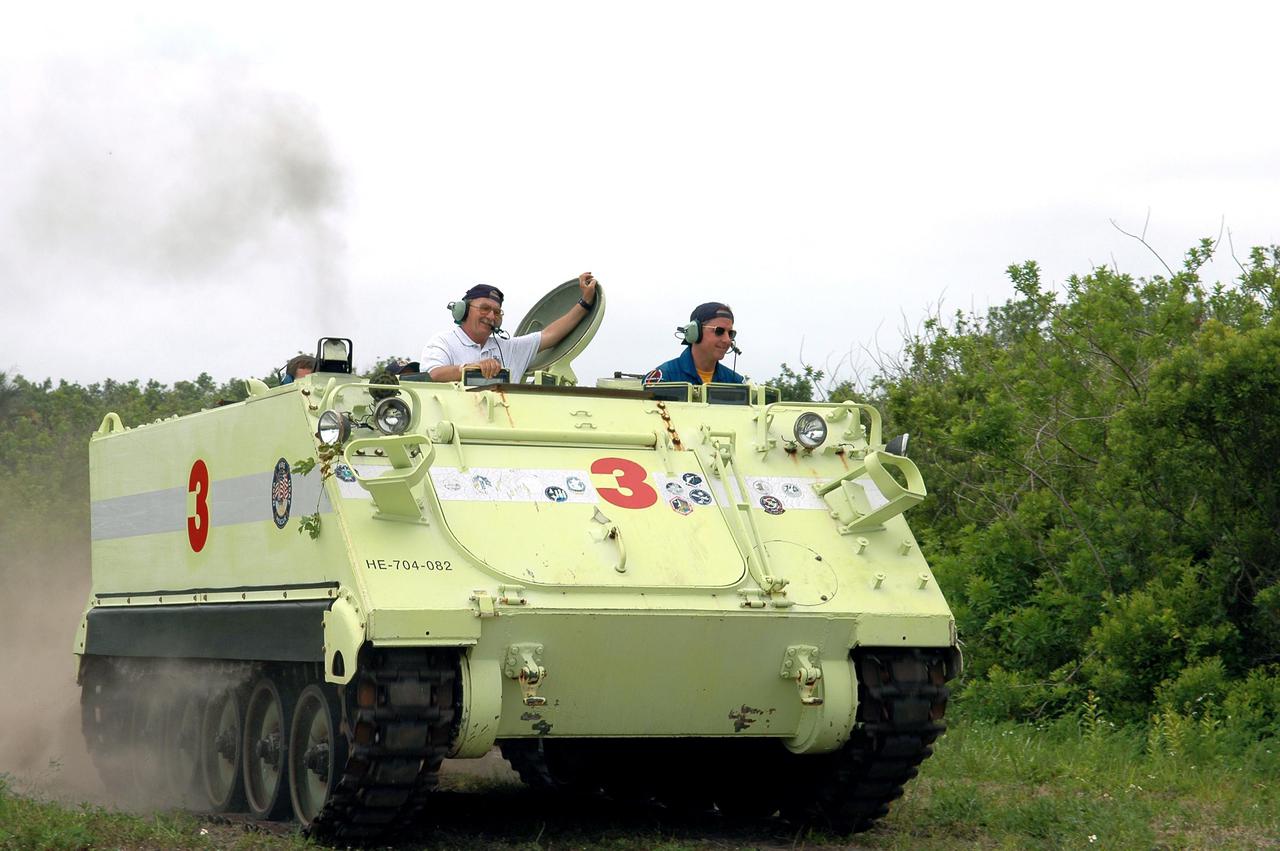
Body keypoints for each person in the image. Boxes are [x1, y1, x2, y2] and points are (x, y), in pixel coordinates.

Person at [422, 272, 598, 382]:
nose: (491, 316)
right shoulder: (443, 342)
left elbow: (550, 334)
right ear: (463, 310)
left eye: (497, 312)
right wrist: (469, 369)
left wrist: (585, 302)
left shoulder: (510, 349)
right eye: (484, 308)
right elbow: (433, 375)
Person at [645, 302, 745, 385]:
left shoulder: (737, 382)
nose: (727, 340)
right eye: (719, 331)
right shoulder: (663, 379)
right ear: (695, 332)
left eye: (731, 333)